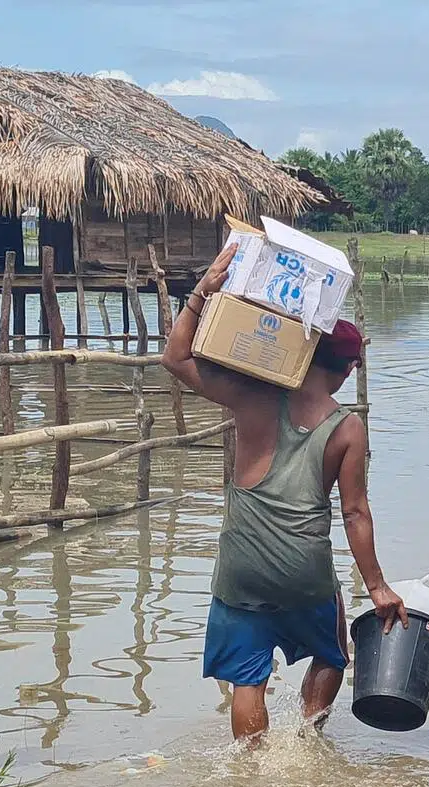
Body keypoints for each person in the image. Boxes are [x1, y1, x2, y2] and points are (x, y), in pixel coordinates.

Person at [161, 244, 408, 745]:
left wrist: (201, 295)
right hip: (304, 570)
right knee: (332, 650)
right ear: (350, 368)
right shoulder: (347, 427)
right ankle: (306, 740)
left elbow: (175, 358)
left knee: (248, 678)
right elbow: (356, 513)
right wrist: (378, 587)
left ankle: (250, 772)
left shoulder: (254, 395)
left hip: (242, 566)